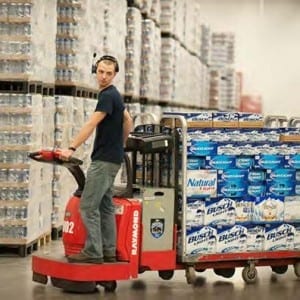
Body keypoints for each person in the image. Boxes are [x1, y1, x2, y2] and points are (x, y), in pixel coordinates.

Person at [60, 55, 133, 263]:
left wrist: (71, 148)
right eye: (100, 72)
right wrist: (121, 144)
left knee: (88, 206)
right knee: (106, 205)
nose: (103, 76)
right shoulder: (115, 95)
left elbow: (91, 124)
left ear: (115, 74)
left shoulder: (107, 96)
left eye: (108, 73)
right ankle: (109, 250)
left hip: (103, 161)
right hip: (113, 158)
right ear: (96, 71)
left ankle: (93, 252)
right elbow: (127, 119)